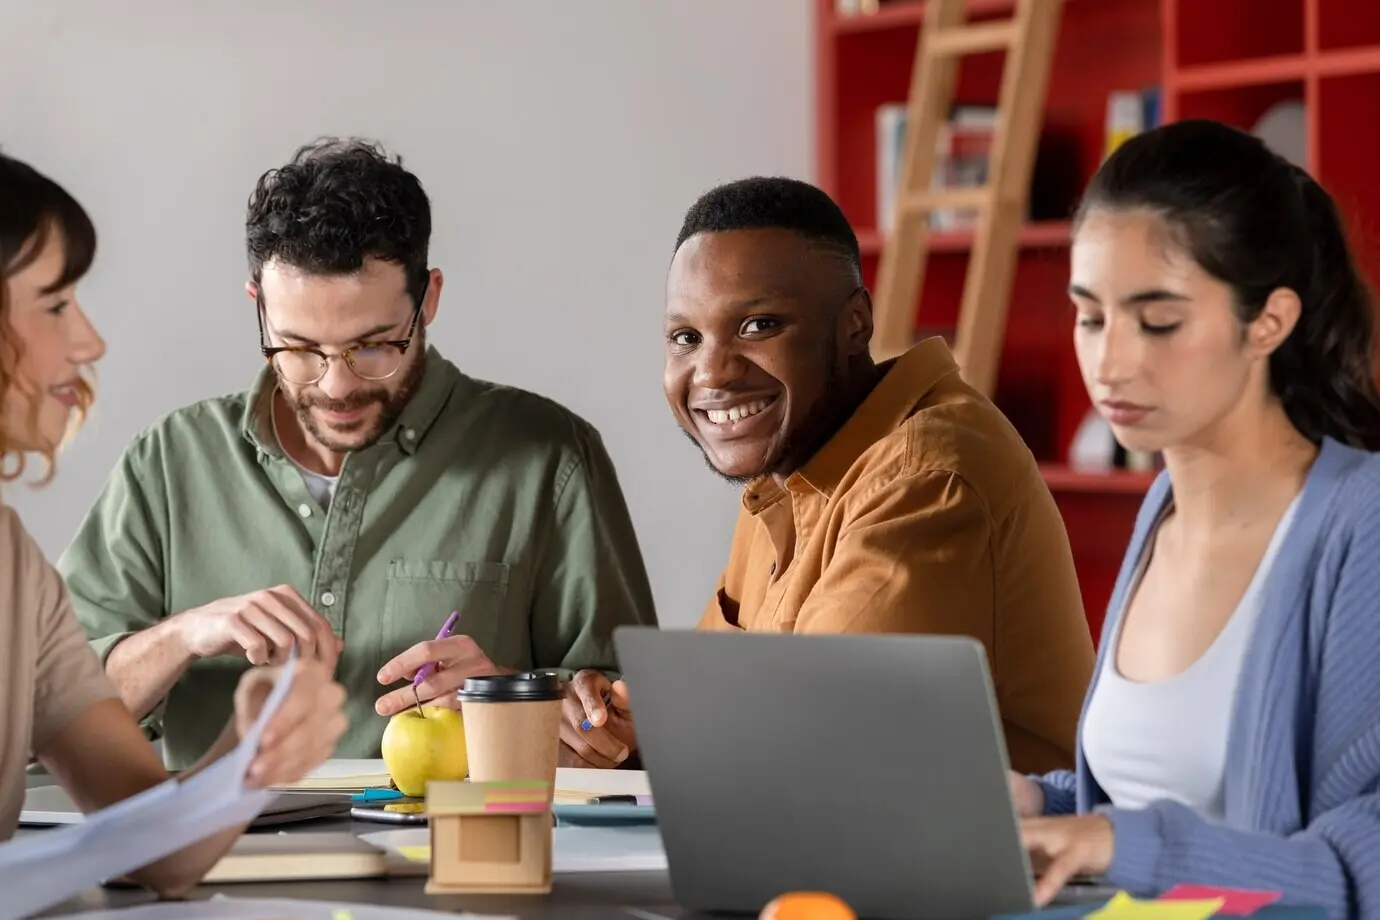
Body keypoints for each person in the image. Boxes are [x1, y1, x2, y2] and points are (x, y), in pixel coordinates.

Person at [57, 138, 656, 769]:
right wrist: (180, 636)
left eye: (373, 346)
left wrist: (508, 695)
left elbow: (626, 734)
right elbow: (48, 711)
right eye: (299, 348)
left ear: (428, 301)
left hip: (456, 857)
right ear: (259, 307)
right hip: (213, 863)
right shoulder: (168, 465)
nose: (337, 384)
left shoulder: (548, 459)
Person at [561, 176, 1095, 775]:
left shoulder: (927, 480)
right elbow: (713, 716)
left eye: (758, 326)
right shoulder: (783, 473)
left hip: (963, 866)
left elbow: (817, 757)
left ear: (855, 326)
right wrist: (620, 726)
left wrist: (669, 733)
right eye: (686, 337)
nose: (711, 373)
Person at [1010, 119, 1380, 917]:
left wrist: (1122, 845)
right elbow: (1167, 792)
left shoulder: (1362, 527)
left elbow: (1364, 870)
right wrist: (1042, 803)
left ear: (1269, 322)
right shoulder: (1162, 510)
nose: (1110, 363)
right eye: (1090, 317)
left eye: (1159, 322)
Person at [0, 152, 346, 892]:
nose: (89, 342)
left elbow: (154, 849)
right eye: (56, 304)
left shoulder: (16, 569)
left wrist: (252, 747)